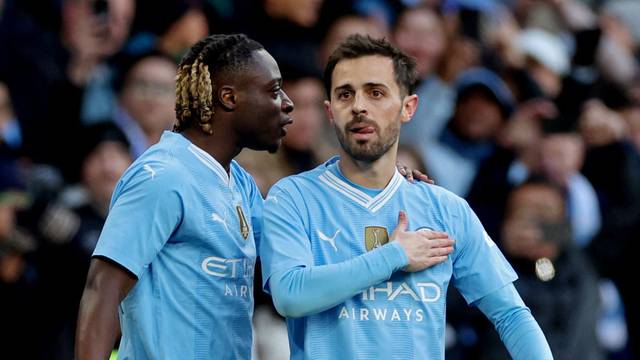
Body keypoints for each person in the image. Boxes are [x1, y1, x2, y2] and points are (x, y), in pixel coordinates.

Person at [259, 35, 553, 359]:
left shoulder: (447, 210)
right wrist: (393, 256)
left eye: (376, 93)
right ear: (330, 112)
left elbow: (511, 315)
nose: (358, 106)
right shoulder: (293, 197)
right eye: (345, 94)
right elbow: (290, 296)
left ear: (408, 108)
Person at [75, 33, 294, 360]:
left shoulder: (242, 184)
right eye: (274, 90)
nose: (287, 103)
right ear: (229, 98)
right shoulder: (162, 176)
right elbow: (101, 288)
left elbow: (290, 269)